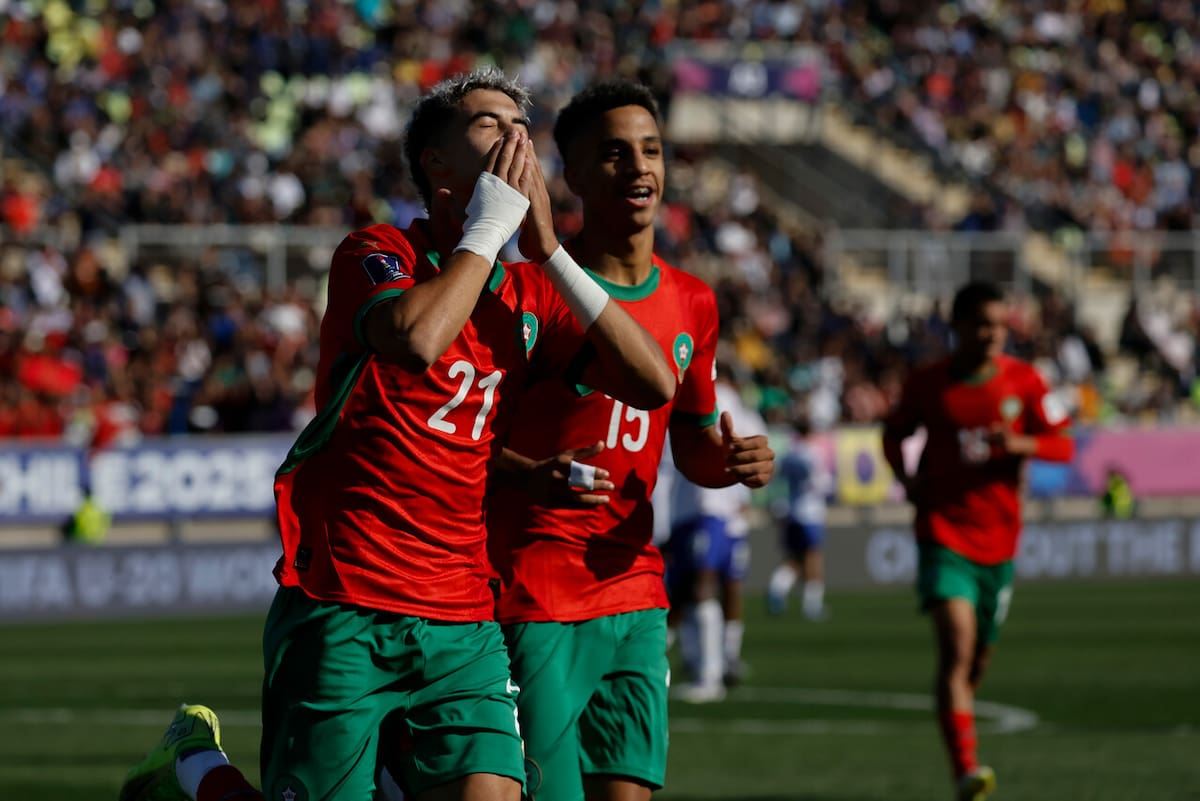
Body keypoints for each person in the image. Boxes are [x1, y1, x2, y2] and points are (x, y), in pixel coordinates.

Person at [119, 67, 676, 801]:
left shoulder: (532, 293)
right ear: (436, 162)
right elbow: (417, 338)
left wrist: (549, 252)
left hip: (464, 611)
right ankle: (192, 768)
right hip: (346, 595)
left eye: (521, 125)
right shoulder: (375, 253)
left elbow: (653, 382)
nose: (514, 135)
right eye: (488, 122)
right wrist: (489, 227)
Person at [486, 80, 775, 801]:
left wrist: (733, 460)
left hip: (636, 593)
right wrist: (528, 474)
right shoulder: (524, 292)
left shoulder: (693, 301)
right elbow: (463, 444)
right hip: (534, 592)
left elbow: (695, 449)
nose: (639, 168)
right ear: (574, 176)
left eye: (650, 150)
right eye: (614, 155)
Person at [881, 281, 1074, 801]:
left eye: (999, 325)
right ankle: (966, 770)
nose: (992, 335)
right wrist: (907, 478)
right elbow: (892, 432)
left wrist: (1022, 443)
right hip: (943, 533)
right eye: (982, 324)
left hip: (1001, 542)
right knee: (957, 647)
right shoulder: (928, 384)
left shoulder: (1025, 381)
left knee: (977, 662)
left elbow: (1065, 443)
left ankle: (959, 717)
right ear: (959, 326)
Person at [667, 364, 769, 700]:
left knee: (701, 585)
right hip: (710, 508)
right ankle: (716, 659)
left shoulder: (714, 395)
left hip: (705, 505)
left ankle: (709, 673)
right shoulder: (740, 404)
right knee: (710, 587)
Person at [766, 411, 832, 621]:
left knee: (794, 558)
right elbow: (820, 483)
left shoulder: (789, 453)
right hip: (810, 511)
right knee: (813, 557)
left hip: (792, 510)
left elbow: (777, 482)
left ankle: (776, 589)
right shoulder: (813, 453)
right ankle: (812, 605)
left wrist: (777, 505)